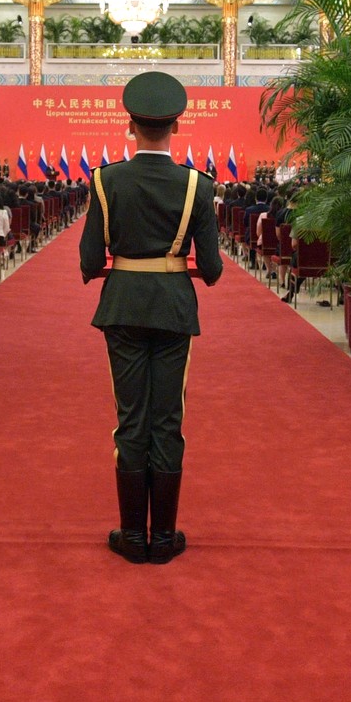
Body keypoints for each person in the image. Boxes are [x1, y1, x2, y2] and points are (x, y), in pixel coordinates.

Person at [80, 71, 223, 565]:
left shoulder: (104, 180)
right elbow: (213, 269)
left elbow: (86, 260)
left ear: (130, 125)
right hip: (173, 308)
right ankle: (162, 538)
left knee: (130, 418)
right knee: (168, 420)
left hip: (122, 305)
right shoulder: (197, 187)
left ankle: (131, 536)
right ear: (176, 127)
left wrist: (121, 264)